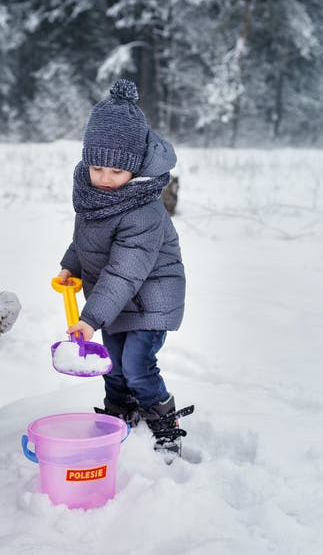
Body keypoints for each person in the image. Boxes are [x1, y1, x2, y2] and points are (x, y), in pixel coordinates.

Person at [57, 78, 192, 456]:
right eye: (97, 167)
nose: (105, 179)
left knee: (135, 363)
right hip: (115, 297)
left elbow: (125, 271)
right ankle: (120, 411)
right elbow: (87, 238)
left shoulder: (143, 210)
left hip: (150, 296)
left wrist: (91, 317)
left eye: (117, 172)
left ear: (134, 169)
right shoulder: (94, 195)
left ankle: (164, 422)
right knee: (113, 363)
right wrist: (72, 267)